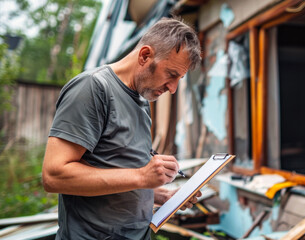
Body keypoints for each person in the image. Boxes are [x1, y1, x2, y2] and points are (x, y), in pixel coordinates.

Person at [42, 17, 202, 239]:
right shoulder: (93, 88)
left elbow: (114, 168)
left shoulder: (141, 99)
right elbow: (54, 176)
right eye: (171, 75)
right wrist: (142, 177)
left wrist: (159, 195)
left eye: (179, 79)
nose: (173, 88)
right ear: (145, 55)